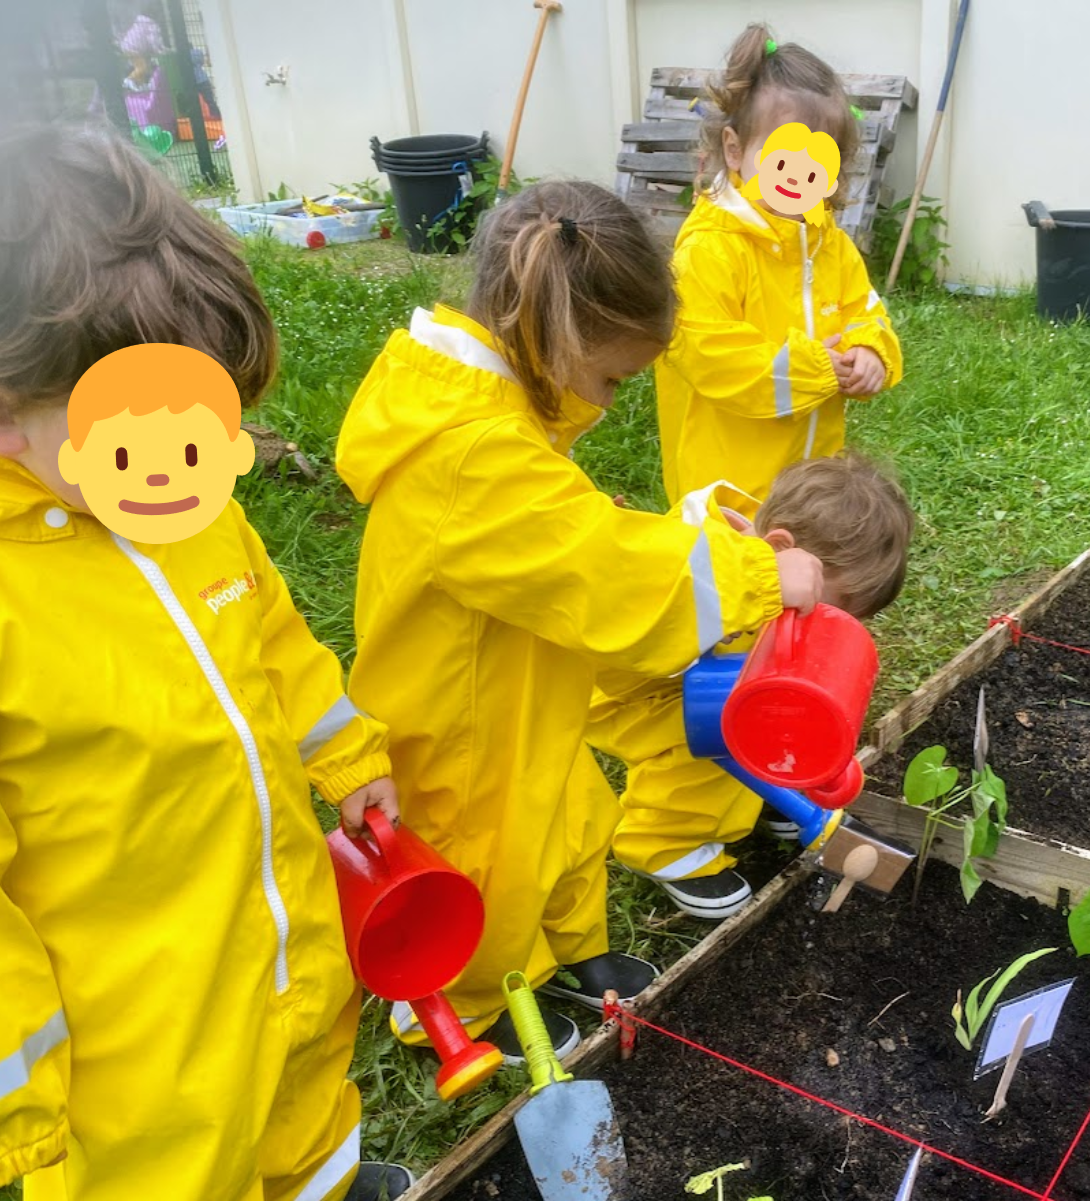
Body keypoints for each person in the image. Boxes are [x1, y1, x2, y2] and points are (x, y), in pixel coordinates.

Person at [0, 123, 410, 1201]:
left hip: (271, 929)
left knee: (304, 1099)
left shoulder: (171, 498)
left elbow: (269, 633)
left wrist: (344, 754)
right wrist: (2, 1104)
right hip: (131, 1046)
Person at [337, 180, 826, 1060]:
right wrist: (755, 575)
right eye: (610, 378)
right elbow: (597, 568)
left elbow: (569, 532)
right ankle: (467, 997)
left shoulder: (490, 414)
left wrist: (696, 531)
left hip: (519, 688)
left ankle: (569, 947)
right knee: (487, 856)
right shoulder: (473, 450)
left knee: (565, 821)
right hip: (463, 722)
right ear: (556, 337)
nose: (607, 402)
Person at [588, 453, 914, 919]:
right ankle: (661, 845)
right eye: (825, 606)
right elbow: (644, 642)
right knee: (717, 735)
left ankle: (771, 789)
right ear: (781, 549)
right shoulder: (691, 566)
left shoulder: (770, 559)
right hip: (637, 693)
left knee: (759, 718)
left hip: (713, 684)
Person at [655, 24, 905, 515]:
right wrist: (815, 368)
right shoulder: (711, 249)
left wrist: (870, 349)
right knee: (731, 561)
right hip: (726, 484)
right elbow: (709, 354)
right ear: (735, 150)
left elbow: (866, 310)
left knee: (803, 546)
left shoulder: (831, 245)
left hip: (811, 476)